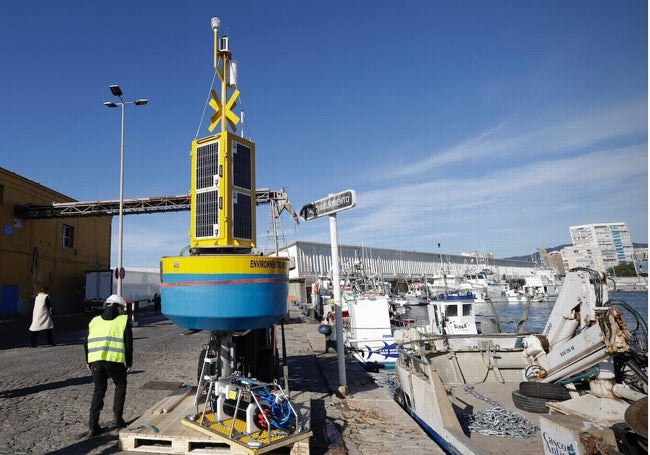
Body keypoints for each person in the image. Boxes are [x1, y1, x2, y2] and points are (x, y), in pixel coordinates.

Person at [84, 294, 133, 437]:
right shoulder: (123, 321)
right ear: (117, 307)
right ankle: (118, 420)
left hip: (96, 362)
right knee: (120, 386)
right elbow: (128, 344)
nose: (123, 311)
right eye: (122, 308)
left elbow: (86, 342)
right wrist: (129, 362)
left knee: (98, 391)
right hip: (115, 361)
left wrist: (88, 360)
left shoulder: (94, 321)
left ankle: (93, 427)